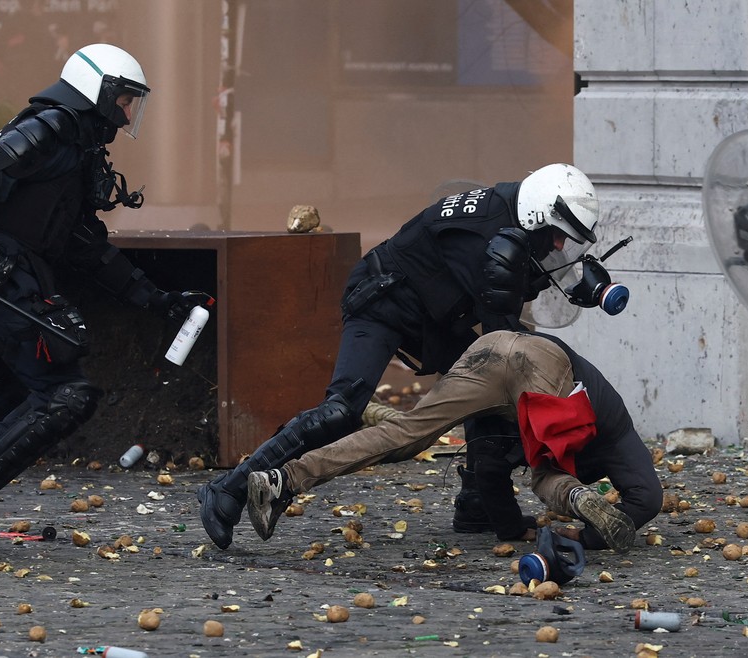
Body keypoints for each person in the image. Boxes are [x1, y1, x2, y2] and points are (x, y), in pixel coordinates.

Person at [198, 163, 610, 549]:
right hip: (384, 301)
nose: (559, 244)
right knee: (342, 409)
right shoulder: (485, 235)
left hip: (437, 317)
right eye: (557, 233)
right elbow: (502, 337)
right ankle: (229, 489)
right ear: (538, 214)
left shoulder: (512, 218)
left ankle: (477, 505)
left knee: (488, 388)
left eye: (566, 239)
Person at [0, 44, 200, 555]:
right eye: (124, 99)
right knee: (66, 394)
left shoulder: (76, 148)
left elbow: (87, 245)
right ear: (97, 90)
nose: (127, 113)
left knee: (4, 399)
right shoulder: (54, 126)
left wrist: (156, 299)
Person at [246, 330, 663, 553]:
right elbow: (646, 498)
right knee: (546, 474)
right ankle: (577, 499)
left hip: (494, 345)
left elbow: (490, 472)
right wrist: (584, 533)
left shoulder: (514, 426)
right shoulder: (612, 428)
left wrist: (513, 528)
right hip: (546, 366)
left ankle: (282, 480)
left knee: (408, 434)